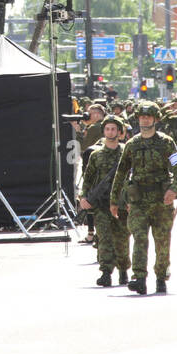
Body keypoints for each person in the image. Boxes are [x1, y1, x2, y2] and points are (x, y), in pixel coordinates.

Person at [110, 102, 177, 295]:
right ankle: (140, 278)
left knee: (162, 241)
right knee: (139, 238)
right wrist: (114, 200)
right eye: (142, 117)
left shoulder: (166, 142)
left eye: (148, 117)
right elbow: (121, 173)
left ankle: (161, 277)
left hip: (161, 201)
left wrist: (174, 189)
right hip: (138, 201)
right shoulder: (132, 144)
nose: (144, 120)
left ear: (155, 119)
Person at [80, 114, 127, 287]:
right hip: (101, 203)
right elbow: (88, 178)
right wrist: (84, 197)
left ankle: (123, 270)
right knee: (105, 238)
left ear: (120, 132)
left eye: (114, 129)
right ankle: (106, 272)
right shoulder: (96, 154)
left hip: (122, 203)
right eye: (107, 129)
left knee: (122, 238)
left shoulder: (126, 152)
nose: (110, 132)